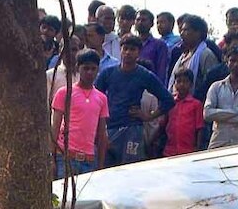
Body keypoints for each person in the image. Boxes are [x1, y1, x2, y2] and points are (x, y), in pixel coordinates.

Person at [95, 34, 174, 167]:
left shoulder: (144, 75)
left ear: (139, 52)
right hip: (109, 128)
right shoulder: (107, 73)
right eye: (125, 48)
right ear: (120, 49)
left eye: (132, 49)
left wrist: (148, 116)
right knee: (105, 170)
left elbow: (168, 100)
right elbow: (95, 98)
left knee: (130, 170)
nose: (128, 53)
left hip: (132, 129)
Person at [50, 49, 109, 178]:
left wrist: (100, 165)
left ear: (98, 70)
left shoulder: (101, 98)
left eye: (93, 69)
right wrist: (51, 159)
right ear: (78, 68)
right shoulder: (64, 93)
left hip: (89, 160)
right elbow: (54, 128)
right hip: (66, 158)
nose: (89, 72)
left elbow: (102, 134)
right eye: (86, 68)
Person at [168, 15, 218, 96]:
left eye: (185, 30)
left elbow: (210, 85)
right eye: (181, 30)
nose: (181, 34)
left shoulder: (206, 55)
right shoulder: (183, 56)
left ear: (198, 33)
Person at [163, 68, 205, 156]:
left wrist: (197, 148)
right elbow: (163, 123)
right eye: (179, 81)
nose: (182, 84)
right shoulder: (170, 102)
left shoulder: (196, 104)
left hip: (188, 151)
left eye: (185, 81)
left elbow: (199, 128)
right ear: (174, 84)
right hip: (170, 150)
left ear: (191, 84)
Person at [133, 9, 170, 84]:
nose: (140, 22)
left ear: (151, 24)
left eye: (143, 20)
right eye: (138, 20)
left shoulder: (159, 45)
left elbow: (161, 71)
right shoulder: (130, 43)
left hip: (150, 86)